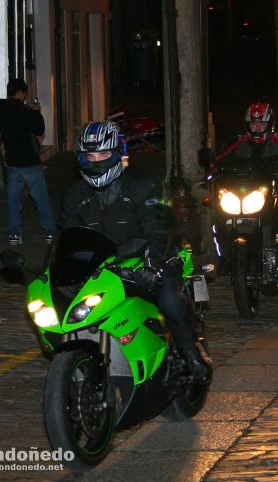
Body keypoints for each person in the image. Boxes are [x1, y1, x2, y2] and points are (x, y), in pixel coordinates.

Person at [59, 120, 210, 384]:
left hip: (146, 259)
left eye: (103, 155)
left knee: (170, 301)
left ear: (118, 154)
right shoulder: (75, 195)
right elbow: (68, 235)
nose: (96, 162)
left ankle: (193, 355)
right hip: (102, 269)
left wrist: (153, 260)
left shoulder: (141, 187)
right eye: (89, 156)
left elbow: (157, 224)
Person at [210, 102, 278, 272]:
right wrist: (212, 171)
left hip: (274, 191)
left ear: (270, 124)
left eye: (261, 123)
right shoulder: (237, 143)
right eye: (253, 123)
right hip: (242, 193)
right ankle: (224, 258)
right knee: (218, 218)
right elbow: (219, 160)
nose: (257, 127)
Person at [0, 78, 57, 245]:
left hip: (12, 163)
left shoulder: (0, 108)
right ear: (21, 93)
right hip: (30, 162)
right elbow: (39, 129)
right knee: (41, 199)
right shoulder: (25, 110)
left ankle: (14, 235)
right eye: (24, 94)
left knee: (13, 201)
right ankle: (50, 232)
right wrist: (36, 111)